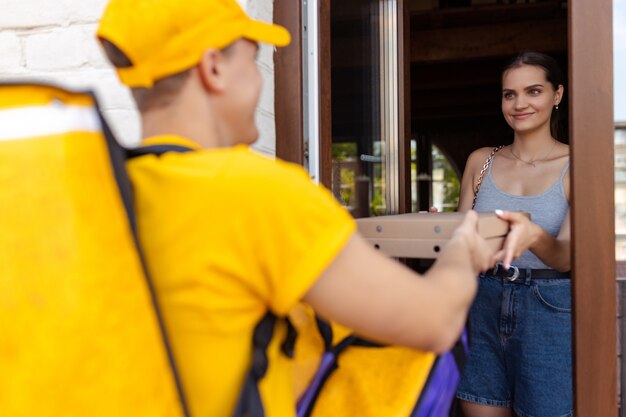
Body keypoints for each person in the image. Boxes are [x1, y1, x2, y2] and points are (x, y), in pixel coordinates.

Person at [96, 1, 497, 416]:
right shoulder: (256, 192)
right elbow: (433, 322)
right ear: (213, 68)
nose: (258, 80)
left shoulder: (99, 195)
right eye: (253, 61)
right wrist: (461, 254)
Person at [455, 52, 571, 417]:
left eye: (533, 91)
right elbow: (463, 253)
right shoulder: (481, 161)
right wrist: (441, 233)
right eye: (509, 94)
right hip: (482, 304)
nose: (519, 104)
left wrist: (533, 235)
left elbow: (567, 256)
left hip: (549, 310)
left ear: (557, 95)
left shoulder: (578, 164)